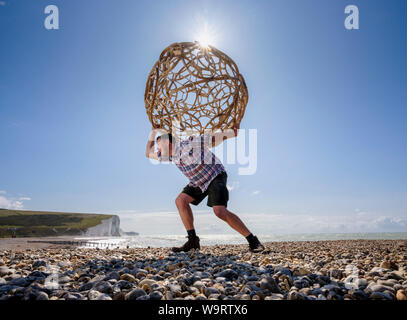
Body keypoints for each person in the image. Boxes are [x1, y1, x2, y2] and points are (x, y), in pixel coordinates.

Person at [145, 123, 265, 253]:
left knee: (219, 211)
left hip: (215, 175)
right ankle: (192, 241)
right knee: (180, 201)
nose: (157, 148)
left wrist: (231, 134)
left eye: (158, 144)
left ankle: (254, 241)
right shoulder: (169, 156)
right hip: (198, 182)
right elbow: (148, 152)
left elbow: (211, 139)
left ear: (167, 142)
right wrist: (153, 131)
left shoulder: (189, 144)